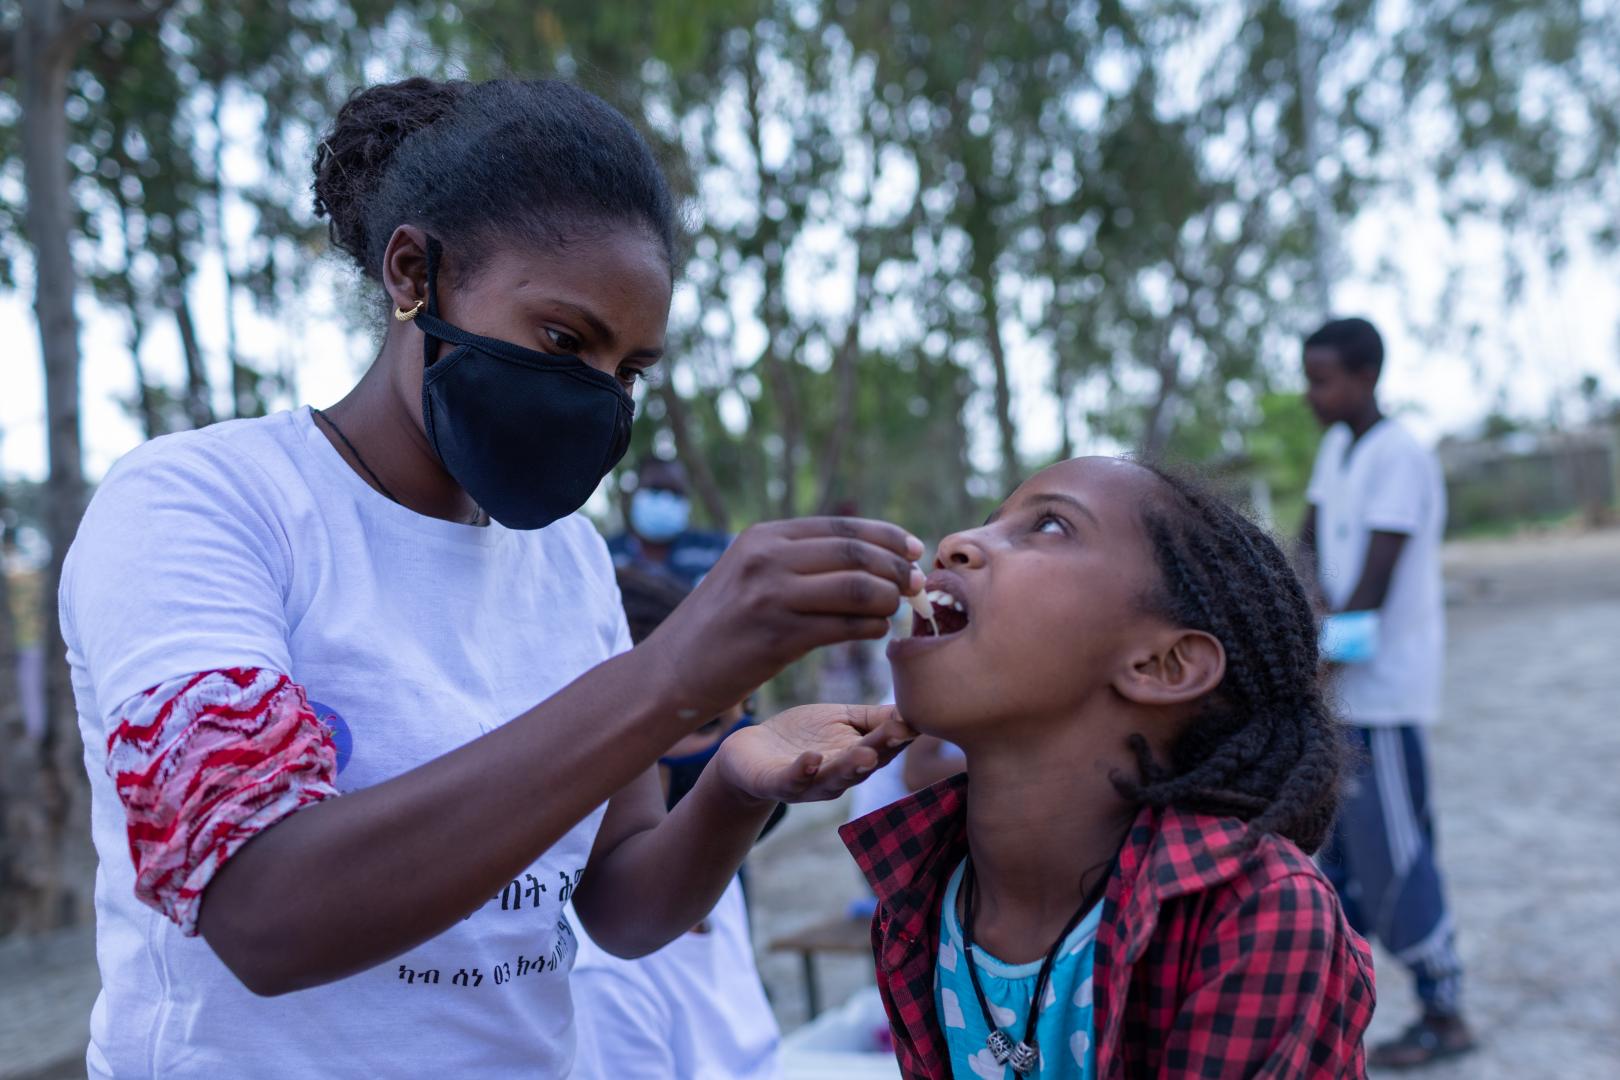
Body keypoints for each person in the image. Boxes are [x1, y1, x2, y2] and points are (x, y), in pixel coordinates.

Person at [59, 76, 923, 1079]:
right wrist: (673, 672)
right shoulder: (204, 504)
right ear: (414, 273)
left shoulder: (569, 561)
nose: (597, 401)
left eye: (629, 371)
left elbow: (620, 904)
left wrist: (731, 787)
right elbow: (265, 915)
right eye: (565, 341)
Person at [841, 456, 1376, 1079]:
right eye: (988, 522)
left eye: (1048, 527)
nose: (956, 545)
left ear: (1162, 666)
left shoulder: (1256, 911)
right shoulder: (922, 900)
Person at [1300, 317, 1475, 1068]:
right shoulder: (1337, 448)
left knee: (1396, 857)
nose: (1313, 395)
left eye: (1324, 379)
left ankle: (1445, 1008)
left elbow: (1368, 595)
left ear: (1367, 376)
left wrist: (1307, 675)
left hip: (1383, 696)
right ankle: (1335, 1017)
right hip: (1339, 696)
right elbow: (1306, 545)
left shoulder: (1400, 456)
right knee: (1331, 869)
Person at [570, 568, 781, 1080]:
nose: (742, 743)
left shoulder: (710, 879)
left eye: (747, 711)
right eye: (706, 724)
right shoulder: (599, 977)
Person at [608, 457, 730, 586]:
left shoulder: (714, 550)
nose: (665, 500)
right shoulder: (605, 554)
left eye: (675, 492)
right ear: (634, 492)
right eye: (655, 489)